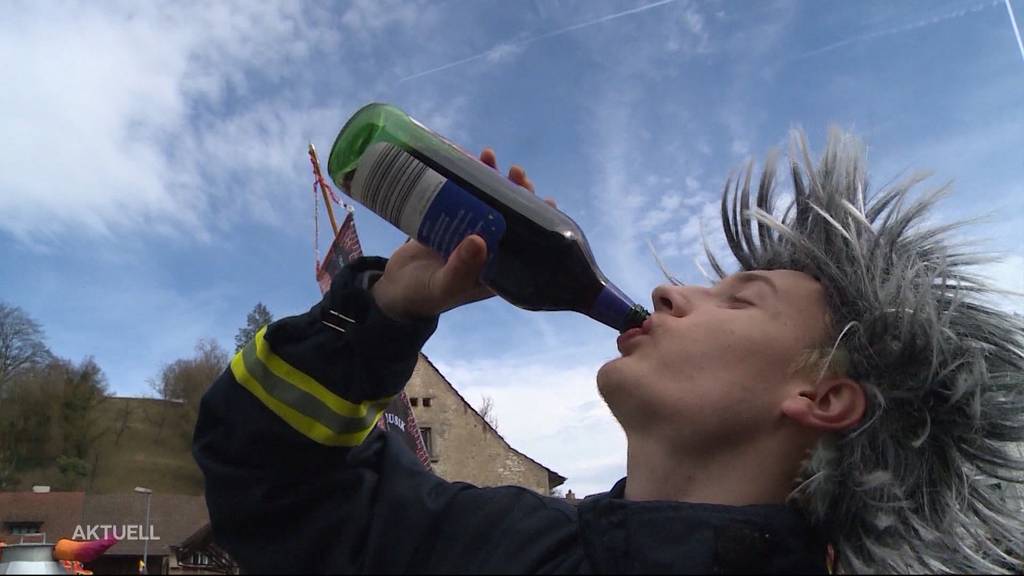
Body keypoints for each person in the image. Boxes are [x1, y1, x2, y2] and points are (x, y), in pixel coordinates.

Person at [193, 129, 1024, 573]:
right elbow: (277, 494)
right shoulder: (492, 543)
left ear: (823, 397)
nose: (668, 294)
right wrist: (383, 312)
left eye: (742, 299)